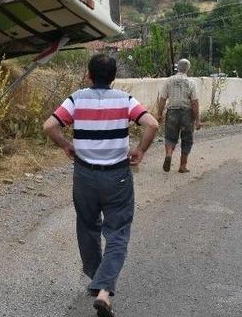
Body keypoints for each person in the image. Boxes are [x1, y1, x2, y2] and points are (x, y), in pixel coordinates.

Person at [42, 54, 159, 317]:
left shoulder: (76, 98)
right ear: (114, 77)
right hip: (117, 177)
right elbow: (151, 123)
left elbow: (49, 125)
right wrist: (140, 149)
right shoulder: (125, 100)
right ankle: (104, 290)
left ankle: (97, 278)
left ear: (89, 75)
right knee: (117, 231)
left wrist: (66, 145)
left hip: (84, 175)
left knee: (87, 225)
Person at [155, 59, 201, 173]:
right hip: (187, 114)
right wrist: (197, 120)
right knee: (187, 139)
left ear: (177, 68)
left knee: (170, 137)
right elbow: (194, 103)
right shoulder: (191, 82)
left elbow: (162, 99)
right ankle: (182, 166)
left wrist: (159, 115)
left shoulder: (169, 81)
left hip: (172, 113)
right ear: (188, 69)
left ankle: (169, 155)